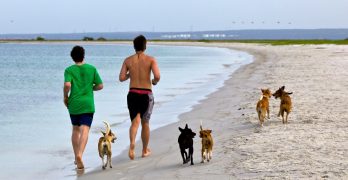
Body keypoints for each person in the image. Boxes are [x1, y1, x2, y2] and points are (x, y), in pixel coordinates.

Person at [119, 35, 160, 160]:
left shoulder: (127, 60)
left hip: (132, 94)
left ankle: (132, 143)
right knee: (145, 123)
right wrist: (154, 81)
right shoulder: (150, 59)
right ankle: (144, 150)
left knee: (135, 122)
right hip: (146, 94)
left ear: (134, 46)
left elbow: (121, 78)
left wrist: (130, 75)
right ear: (145, 45)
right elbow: (157, 76)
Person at [63, 46, 103, 169]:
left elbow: (67, 85)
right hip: (88, 104)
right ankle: (80, 154)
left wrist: (65, 96)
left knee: (75, 129)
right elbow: (100, 86)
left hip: (74, 103)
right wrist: (91, 88)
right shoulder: (92, 69)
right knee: (85, 129)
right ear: (83, 55)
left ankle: (76, 157)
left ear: (72, 57)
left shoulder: (69, 70)